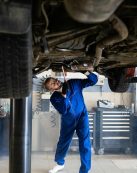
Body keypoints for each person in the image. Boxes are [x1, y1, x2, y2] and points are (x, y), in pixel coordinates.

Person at [43, 71, 98, 173]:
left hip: (82, 116)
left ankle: (85, 170)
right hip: (68, 121)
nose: (55, 82)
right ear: (51, 89)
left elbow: (94, 81)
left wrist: (85, 72)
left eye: (54, 80)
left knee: (85, 142)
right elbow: (63, 110)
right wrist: (63, 95)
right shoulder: (54, 98)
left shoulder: (73, 83)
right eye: (52, 83)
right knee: (63, 142)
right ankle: (60, 164)